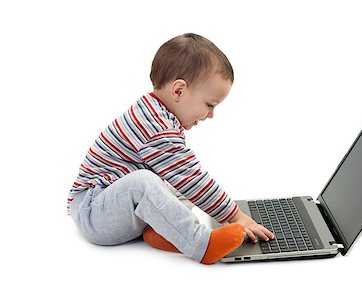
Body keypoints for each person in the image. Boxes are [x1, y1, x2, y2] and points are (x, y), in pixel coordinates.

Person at [67, 33, 274, 264]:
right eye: (209, 105)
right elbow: (190, 177)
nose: (211, 115)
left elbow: (186, 178)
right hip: (93, 212)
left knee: (178, 185)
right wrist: (234, 215)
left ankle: (166, 232)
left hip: (116, 208)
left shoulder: (161, 116)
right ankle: (200, 244)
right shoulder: (154, 126)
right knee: (151, 182)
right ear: (178, 91)